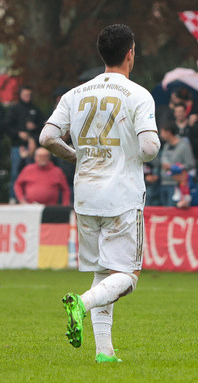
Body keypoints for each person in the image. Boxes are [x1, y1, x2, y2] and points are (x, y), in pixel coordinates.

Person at [41, 24, 160, 363]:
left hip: (85, 194)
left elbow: (47, 138)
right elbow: (149, 147)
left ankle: (104, 352)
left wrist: (76, 156)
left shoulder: (75, 94)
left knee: (102, 272)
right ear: (130, 53)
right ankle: (83, 302)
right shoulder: (138, 94)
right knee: (128, 276)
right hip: (121, 195)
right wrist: (132, 154)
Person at [6, 85, 43, 198]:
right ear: (20, 95)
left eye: (29, 95)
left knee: (33, 173)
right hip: (18, 146)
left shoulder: (36, 109)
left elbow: (43, 127)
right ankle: (14, 198)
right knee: (16, 172)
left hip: (33, 147)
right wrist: (18, 133)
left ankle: (31, 196)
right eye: (25, 94)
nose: (27, 97)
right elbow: (7, 127)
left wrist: (34, 128)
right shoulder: (14, 109)